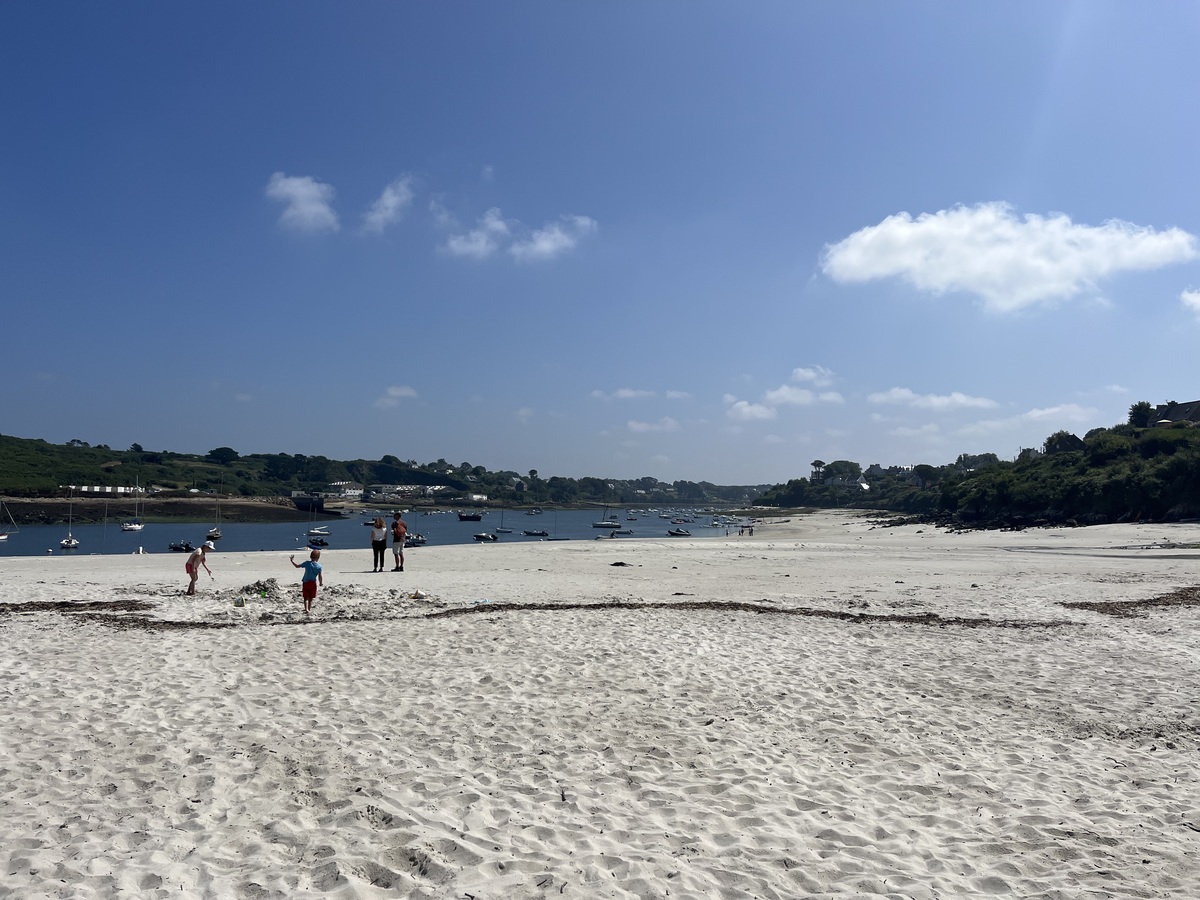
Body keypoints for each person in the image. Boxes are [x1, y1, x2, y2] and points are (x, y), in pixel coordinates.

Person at [290, 548, 323, 614]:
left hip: (306, 582)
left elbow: (297, 566)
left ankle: (306, 609)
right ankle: (309, 609)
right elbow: (320, 576)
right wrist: (321, 583)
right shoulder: (319, 566)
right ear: (318, 557)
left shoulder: (307, 563)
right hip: (313, 583)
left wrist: (292, 561)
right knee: (311, 598)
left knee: (306, 597)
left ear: (310, 556)